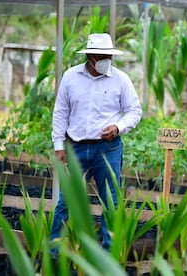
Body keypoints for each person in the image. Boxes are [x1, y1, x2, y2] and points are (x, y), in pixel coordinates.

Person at [50, 33, 142, 252]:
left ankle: (108, 254)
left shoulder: (120, 79)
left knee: (110, 201)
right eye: (100, 56)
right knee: (65, 201)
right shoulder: (71, 77)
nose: (105, 60)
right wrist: (58, 145)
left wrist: (118, 127)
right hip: (76, 147)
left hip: (107, 149)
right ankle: (54, 252)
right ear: (90, 56)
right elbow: (60, 112)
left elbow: (134, 111)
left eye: (108, 56)